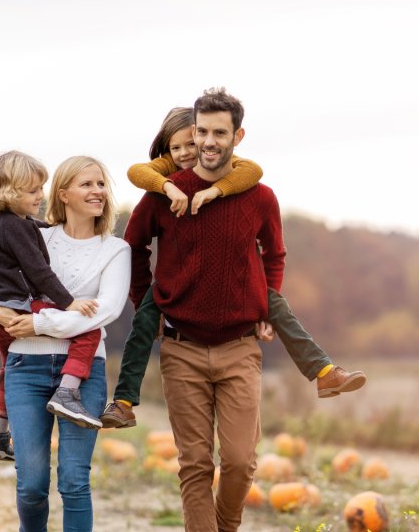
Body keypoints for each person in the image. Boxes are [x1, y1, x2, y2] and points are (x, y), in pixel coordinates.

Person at [100, 107, 366, 430]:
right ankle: (124, 402)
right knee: (142, 325)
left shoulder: (240, 175)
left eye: (191, 143)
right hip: (173, 294)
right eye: (177, 147)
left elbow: (254, 172)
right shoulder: (164, 175)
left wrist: (215, 190)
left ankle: (324, 373)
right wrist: (143, 296)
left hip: (240, 298)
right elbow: (136, 177)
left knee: (278, 307)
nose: (186, 152)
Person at [121, 87, 284, 531]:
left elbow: (274, 254)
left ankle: (225, 526)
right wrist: (144, 306)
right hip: (181, 348)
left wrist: (269, 303)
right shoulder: (163, 194)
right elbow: (133, 247)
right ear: (193, 131)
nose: (209, 141)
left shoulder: (260, 196)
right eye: (202, 131)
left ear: (237, 135)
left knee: (239, 461)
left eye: (219, 132)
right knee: (194, 464)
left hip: (239, 347)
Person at [0, 155, 130, 531]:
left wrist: (39, 322)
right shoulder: (31, 233)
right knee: (31, 485)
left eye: (101, 184)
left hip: (84, 373)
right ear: (64, 193)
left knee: (74, 481)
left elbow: (104, 312)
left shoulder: (115, 250)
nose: (98, 191)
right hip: (26, 369)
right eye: (87, 184)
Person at [0, 151, 104, 462]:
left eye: (41, 188)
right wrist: (69, 303)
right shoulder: (14, 227)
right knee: (89, 331)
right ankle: (67, 391)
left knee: (7, 371)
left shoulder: (14, 224)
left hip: (4, 307)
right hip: (16, 308)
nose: (40, 196)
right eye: (33, 190)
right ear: (11, 192)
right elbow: (39, 272)